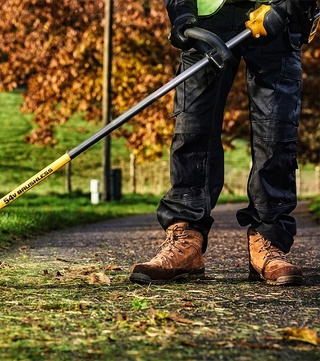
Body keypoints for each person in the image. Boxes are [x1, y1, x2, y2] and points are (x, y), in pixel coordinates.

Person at [130, 0, 318, 286]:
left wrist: (290, 5)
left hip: (274, 14)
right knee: (192, 128)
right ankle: (186, 239)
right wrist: (181, 13)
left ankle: (268, 239)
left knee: (276, 131)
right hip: (206, 20)